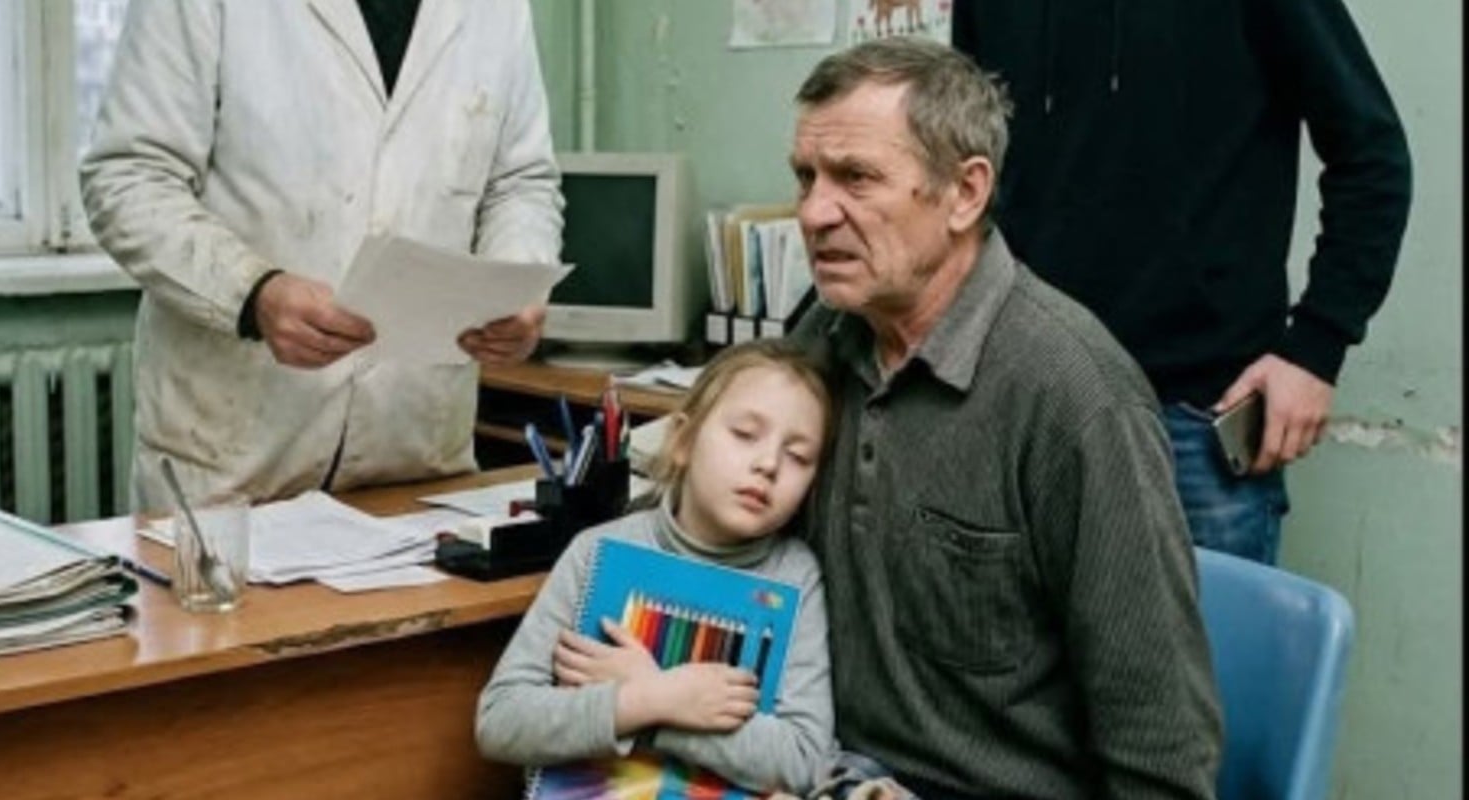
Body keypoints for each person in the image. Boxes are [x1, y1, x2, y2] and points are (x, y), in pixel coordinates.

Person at [785, 39, 1221, 799]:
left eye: (856, 177)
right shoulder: (821, 337)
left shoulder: (1075, 394)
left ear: (965, 193)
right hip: (822, 769)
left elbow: (1162, 748)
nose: (815, 213)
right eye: (806, 178)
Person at [952, 0, 1412, 564]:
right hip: (1030, 405)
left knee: (1210, 626)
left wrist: (1317, 349)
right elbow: (967, 172)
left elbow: (1372, 155)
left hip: (1197, 419)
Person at [81, 1, 564, 506]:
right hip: (234, 462)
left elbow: (520, 181)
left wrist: (515, 284)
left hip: (414, 452)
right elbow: (129, 177)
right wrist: (252, 294)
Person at [476, 339, 835, 797]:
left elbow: (804, 761)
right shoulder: (596, 551)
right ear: (683, 441)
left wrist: (665, 711)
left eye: (798, 457)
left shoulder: (796, 576)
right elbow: (501, 721)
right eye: (745, 434)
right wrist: (647, 700)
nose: (768, 464)